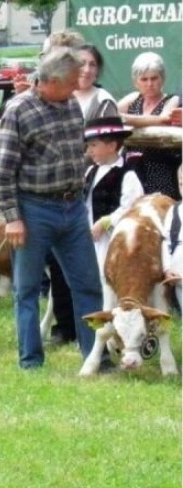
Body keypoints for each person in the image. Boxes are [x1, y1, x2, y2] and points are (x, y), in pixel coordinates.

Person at [0, 47, 110, 371]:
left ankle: (96, 357)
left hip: (72, 207)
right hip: (33, 209)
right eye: (72, 81)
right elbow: (2, 173)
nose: (77, 87)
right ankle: (31, 361)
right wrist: (13, 219)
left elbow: (77, 153)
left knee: (87, 284)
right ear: (52, 81)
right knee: (27, 288)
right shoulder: (18, 110)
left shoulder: (71, 103)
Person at [83, 115, 143, 279]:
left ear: (112, 146)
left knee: (109, 275)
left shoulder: (127, 175)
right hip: (89, 235)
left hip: (112, 238)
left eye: (94, 145)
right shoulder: (91, 171)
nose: (89, 151)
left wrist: (105, 221)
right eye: (88, 146)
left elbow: (131, 208)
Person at [118, 51, 181, 200]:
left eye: (154, 78)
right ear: (136, 82)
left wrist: (126, 119)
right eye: (144, 79)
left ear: (162, 79)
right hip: (132, 170)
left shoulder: (172, 100)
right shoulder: (133, 98)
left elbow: (164, 119)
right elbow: (112, 114)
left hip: (161, 169)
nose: (149, 84)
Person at [73, 44, 117, 121]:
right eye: (81, 64)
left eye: (92, 65)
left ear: (97, 71)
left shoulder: (103, 101)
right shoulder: (60, 97)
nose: (87, 70)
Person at [161, 165, 183, 306]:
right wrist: (167, 269)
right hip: (179, 271)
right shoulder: (174, 210)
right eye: (181, 183)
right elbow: (166, 241)